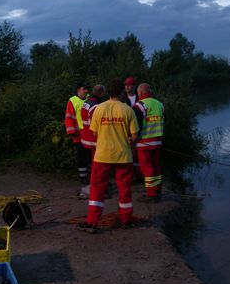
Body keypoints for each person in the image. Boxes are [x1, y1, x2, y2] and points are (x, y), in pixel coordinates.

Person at [79, 78, 139, 233]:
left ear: (108, 92)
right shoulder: (127, 110)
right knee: (124, 189)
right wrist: (129, 144)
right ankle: (126, 221)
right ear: (122, 92)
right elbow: (135, 136)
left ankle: (92, 223)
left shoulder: (99, 109)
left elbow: (94, 132)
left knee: (97, 189)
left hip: (102, 155)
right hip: (123, 155)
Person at [133, 83, 165, 201]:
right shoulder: (159, 104)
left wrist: (132, 140)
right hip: (157, 142)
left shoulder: (140, 106)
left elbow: (136, 126)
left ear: (140, 92)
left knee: (147, 169)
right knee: (156, 166)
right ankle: (158, 191)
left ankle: (151, 195)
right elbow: (164, 120)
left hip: (144, 143)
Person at [65, 81, 90, 185]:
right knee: (81, 157)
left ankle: (92, 177)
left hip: (90, 134)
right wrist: (71, 132)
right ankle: (83, 178)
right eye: (84, 89)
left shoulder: (89, 98)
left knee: (90, 157)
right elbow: (68, 117)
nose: (86, 91)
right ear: (78, 90)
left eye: (87, 89)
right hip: (78, 135)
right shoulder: (72, 101)